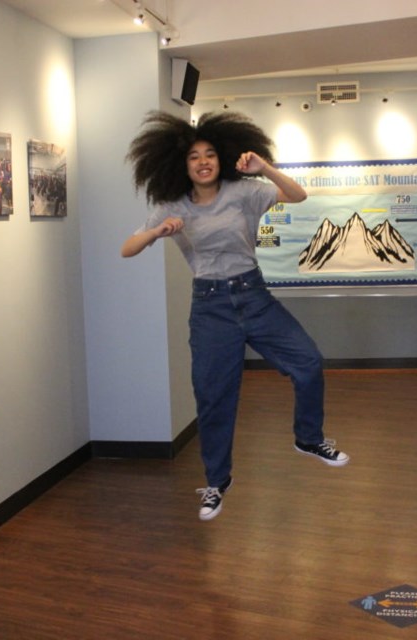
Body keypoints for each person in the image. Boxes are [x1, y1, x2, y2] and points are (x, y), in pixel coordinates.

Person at [121, 110, 349, 521]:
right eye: (194, 156)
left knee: (309, 362)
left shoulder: (244, 191)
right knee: (213, 398)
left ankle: (308, 439)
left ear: (221, 157)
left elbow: (297, 196)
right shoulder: (173, 206)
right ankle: (216, 483)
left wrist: (266, 168)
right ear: (181, 164)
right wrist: (156, 232)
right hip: (210, 308)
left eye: (210, 153)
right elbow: (127, 248)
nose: (203, 161)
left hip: (254, 296)